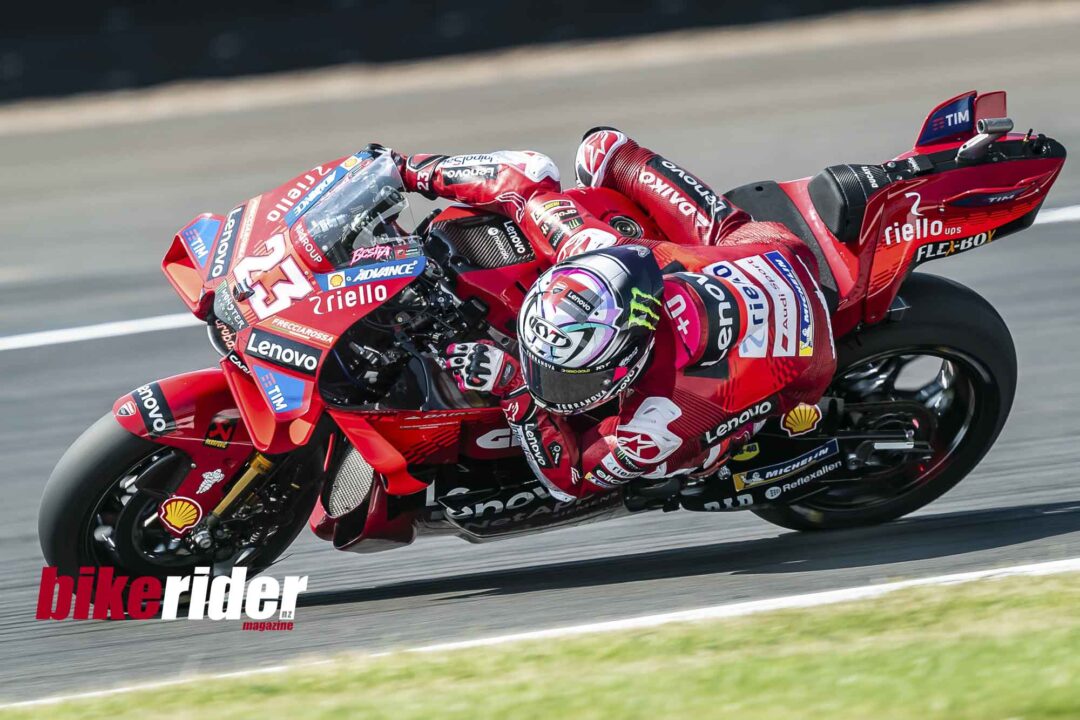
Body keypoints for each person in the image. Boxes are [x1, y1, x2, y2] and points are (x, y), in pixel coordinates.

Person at [389, 129, 836, 502]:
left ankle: (724, 450)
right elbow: (522, 177)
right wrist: (404, 170)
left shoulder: (656, 417)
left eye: (571, 375)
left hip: (804, 359)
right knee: (603, 147)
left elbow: (573, 482)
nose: (552, 381)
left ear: (630, 359)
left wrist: (516, 389)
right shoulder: (590, 247)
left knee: (672, 467)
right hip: (757, 252)